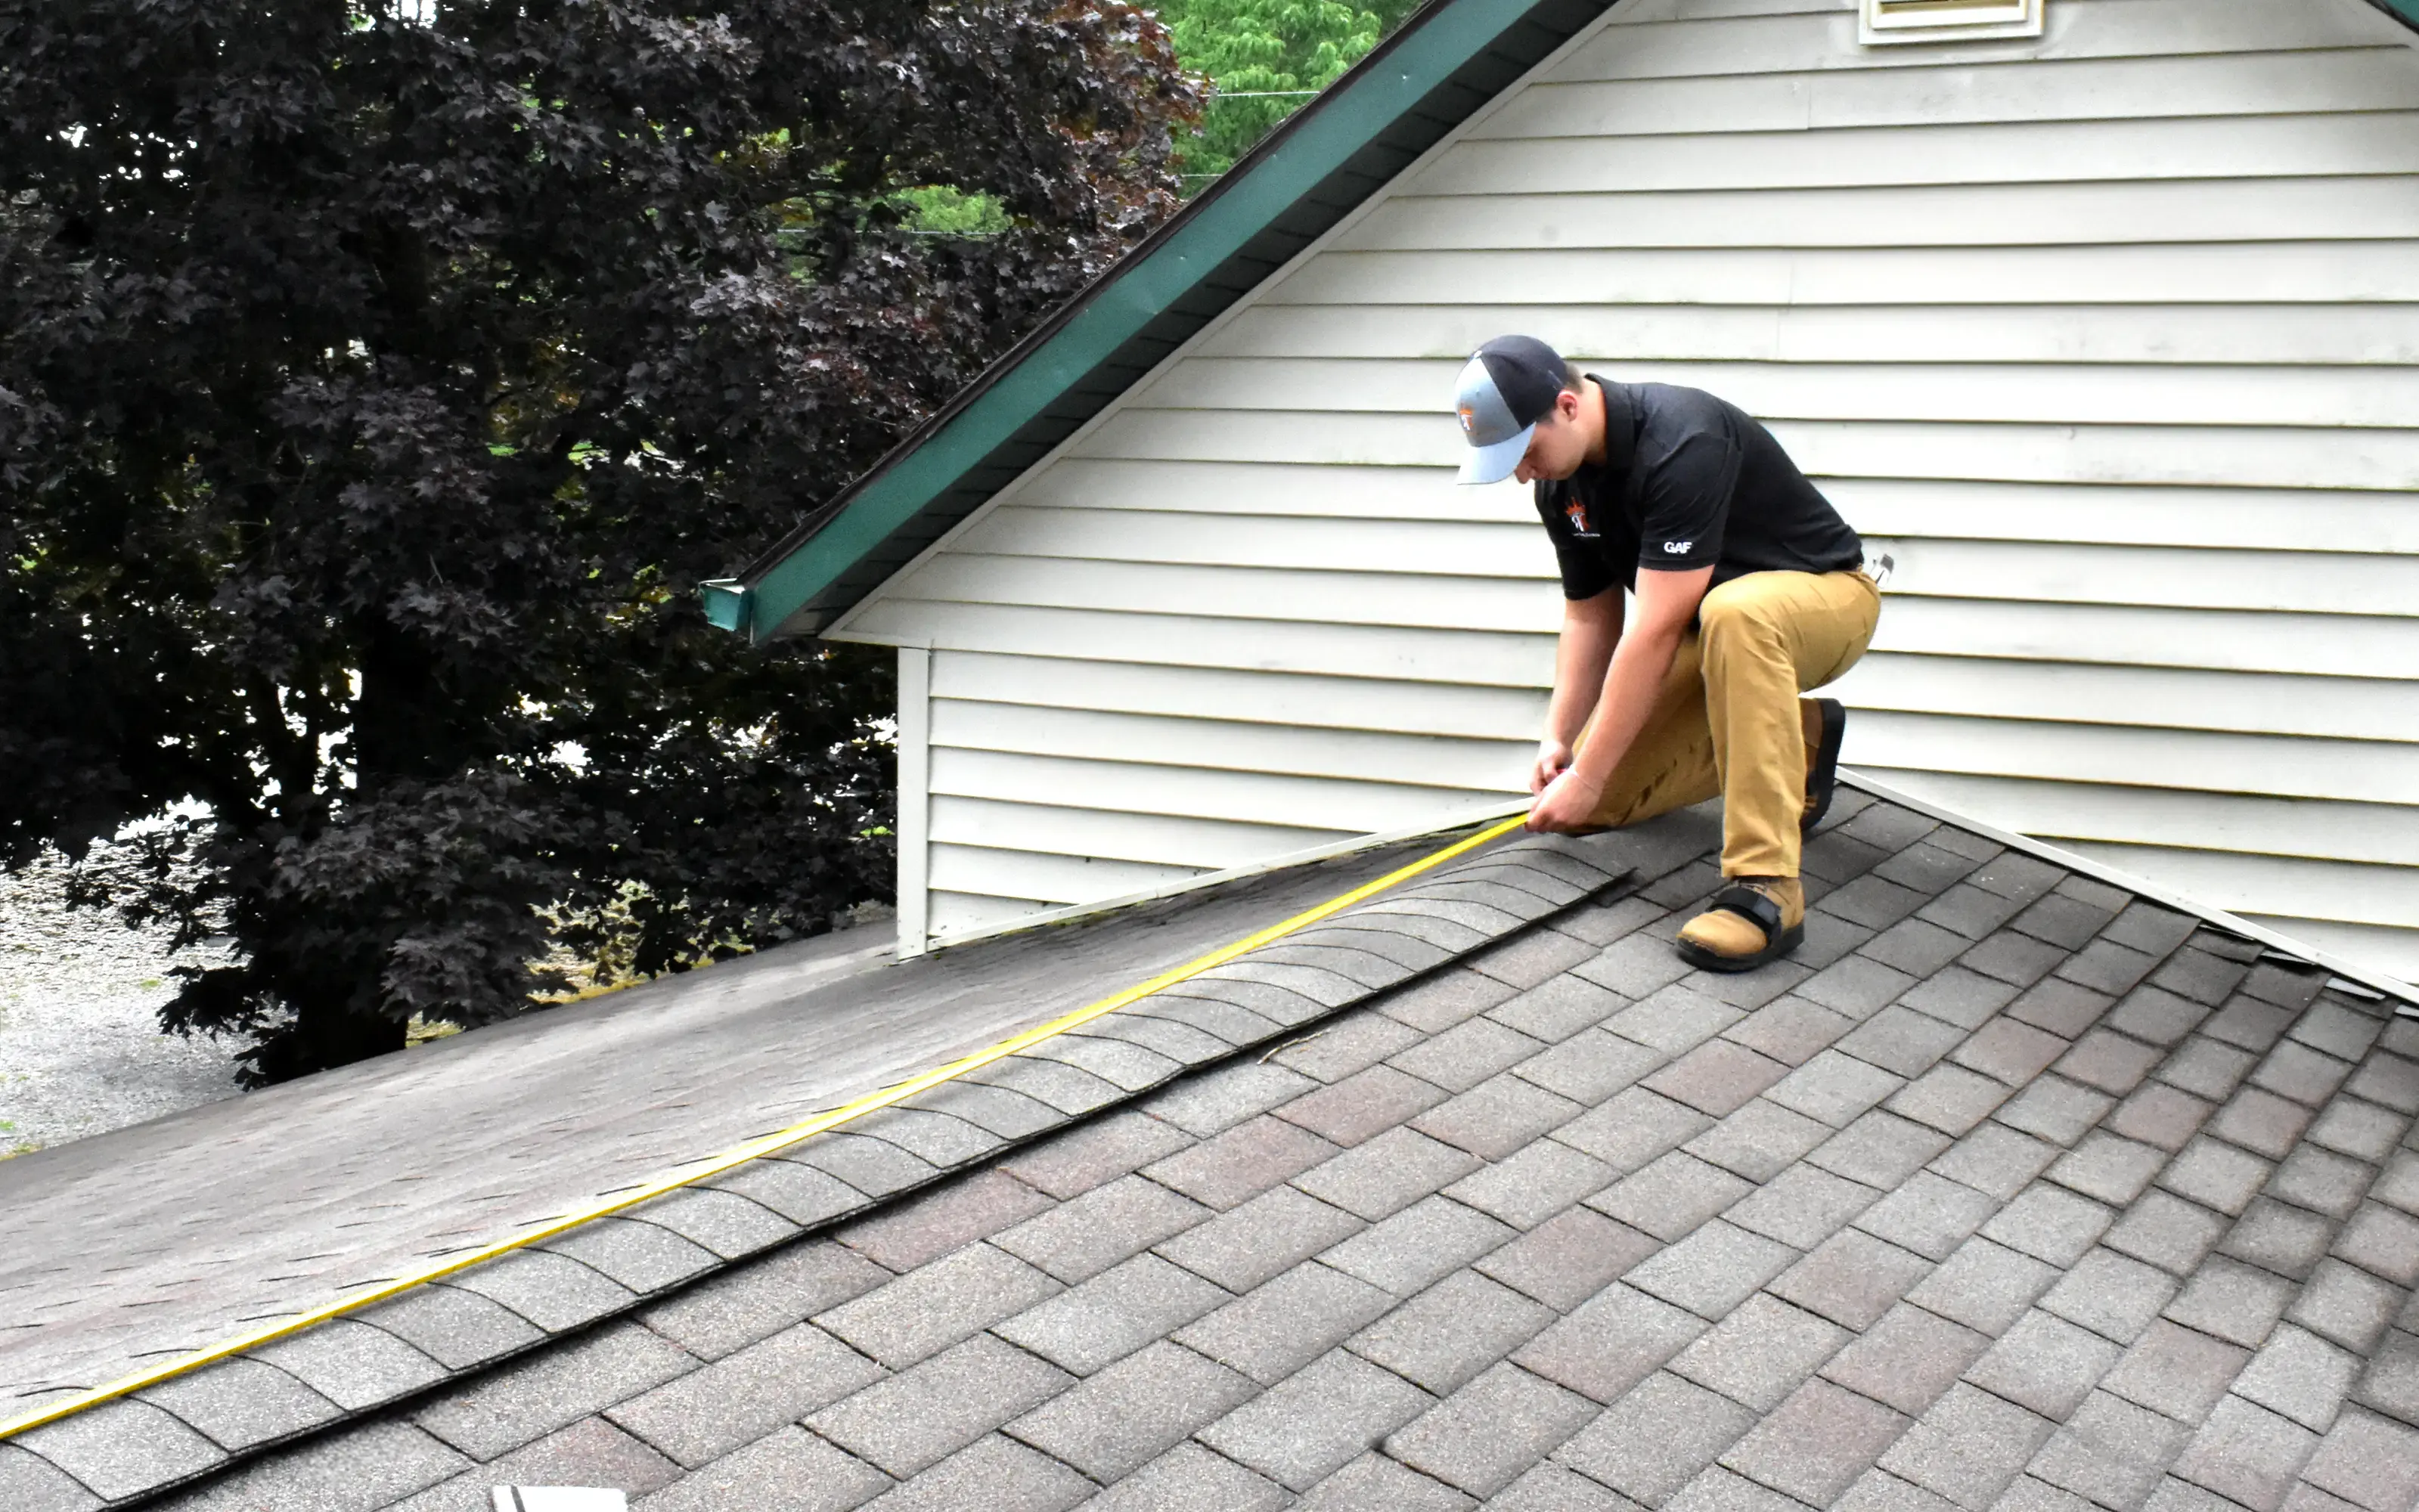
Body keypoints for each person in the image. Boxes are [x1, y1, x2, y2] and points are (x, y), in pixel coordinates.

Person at [1452, 335, 1881, 972]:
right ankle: (1802, 742)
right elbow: (1590, 616)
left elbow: (1653, 632)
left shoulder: (1683, 440)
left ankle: (1766, 888)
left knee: (1736, 612)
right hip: (1707, 634)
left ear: (1567, 406)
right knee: (1588, 808)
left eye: (1524, 451)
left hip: (1822, 603)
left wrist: (1589, 771)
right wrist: (1562, 744)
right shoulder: (1562, 487)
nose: (1521, 473)